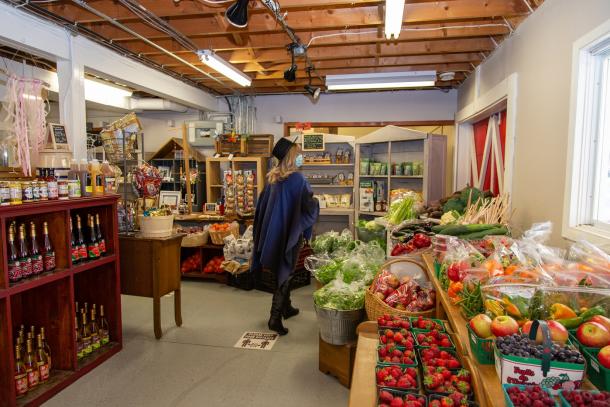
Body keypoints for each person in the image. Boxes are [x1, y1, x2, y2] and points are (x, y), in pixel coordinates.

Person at [251, 137, 319, 335]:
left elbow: (263, 207)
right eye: (299, 155)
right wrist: (316, 202)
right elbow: (308, 204)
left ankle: (287, 307)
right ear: (291, 157)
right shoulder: (298, 179)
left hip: (274, 232)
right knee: (287, 269)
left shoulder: (272, 177)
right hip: (289, 233)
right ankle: (275, 317)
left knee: (283, 267)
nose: (302, 157)